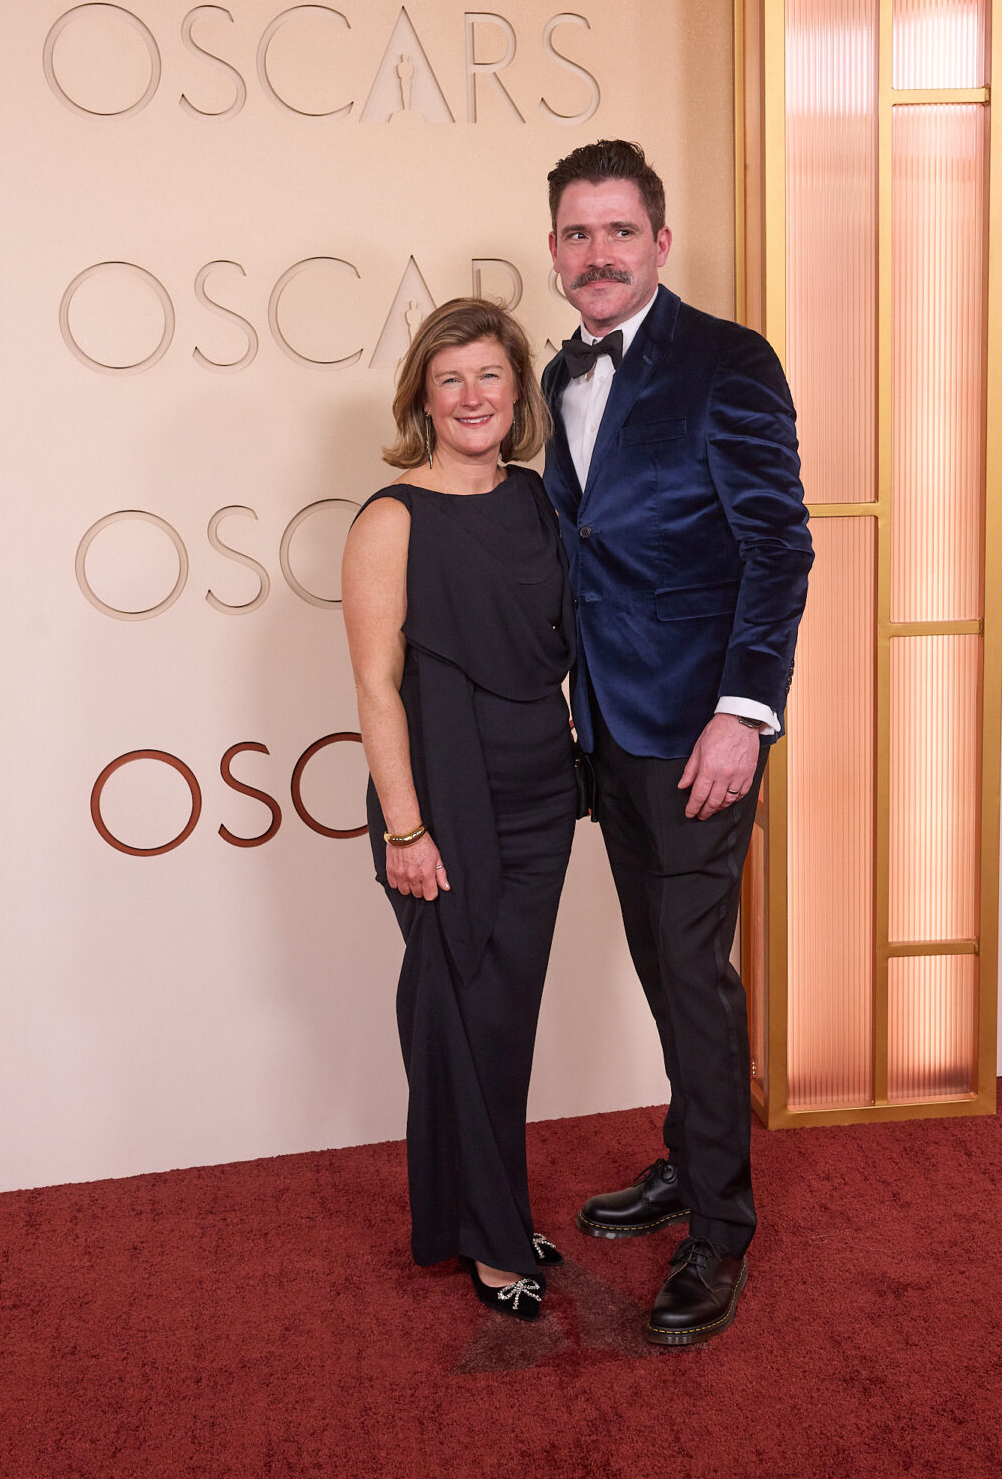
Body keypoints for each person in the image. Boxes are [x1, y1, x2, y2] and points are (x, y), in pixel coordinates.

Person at [541, 139, 813, 1346]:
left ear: (660, 241)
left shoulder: (726, 361)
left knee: (692, 978)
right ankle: (683, 1154)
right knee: (660, 962)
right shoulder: (558, 371)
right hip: (607, 728)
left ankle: (718, 1229)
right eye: (575, 233)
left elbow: (777, 546)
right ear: (555, 251)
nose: (597, 254)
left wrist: (741, 714)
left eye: (617, 231)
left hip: (700, 733)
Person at [341, 298, 577, 1322]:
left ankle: (489, 1204)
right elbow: (374, 686)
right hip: (442, 795)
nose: (472, 396)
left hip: (537, 789)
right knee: (461, 1008)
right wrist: (404, 826)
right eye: (451, 380)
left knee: (502, 1015)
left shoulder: (535, 501)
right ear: (422, 400)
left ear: (517, 393)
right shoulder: (389, 519)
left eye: (490, 376)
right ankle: (488, 1240)